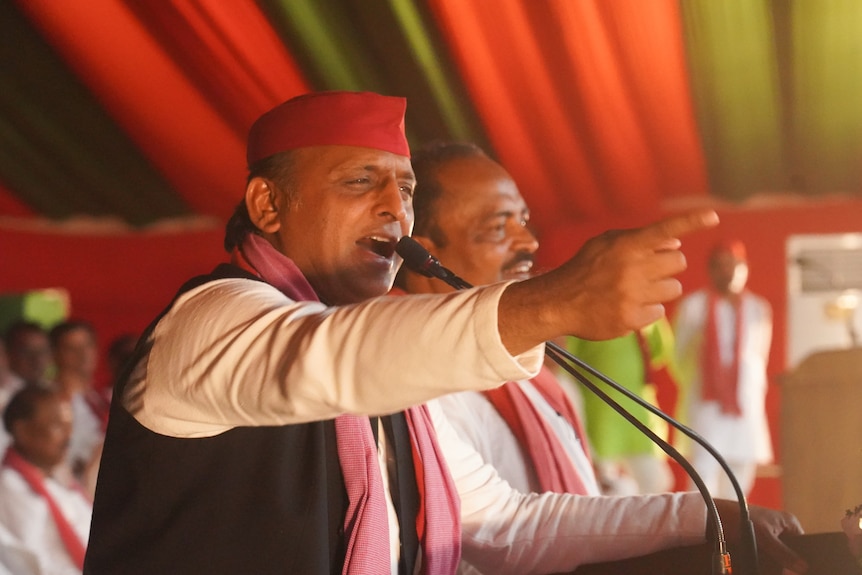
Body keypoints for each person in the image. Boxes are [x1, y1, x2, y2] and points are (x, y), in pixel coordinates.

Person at [85, 91, 805, 575]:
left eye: (403, 188)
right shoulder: (212, 320)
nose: (394, 212)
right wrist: (551, 302)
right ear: (268, 204)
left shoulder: (378, 361)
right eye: (360, 182)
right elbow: (329, 358)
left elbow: (502, 522)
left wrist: (708, 517)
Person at [394, 141, 600, 501]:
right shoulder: (419, 390)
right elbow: (504, 535)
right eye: (497, 228)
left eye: (521, 220)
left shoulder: (525, 371)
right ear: (422, 258)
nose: (529, 242)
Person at [673, 240, 773, 499]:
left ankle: (734, 535)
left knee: (741, 475)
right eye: (721, 266)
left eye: (734, 266)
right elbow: (679, 357)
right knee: (702, 473)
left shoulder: (758, 309)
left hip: (744, 402)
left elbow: (760, 356)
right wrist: (710, 380)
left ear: (745, 269)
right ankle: (701, 534)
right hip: (706, 401)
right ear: (711, 270)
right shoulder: (693, 306)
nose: (728, 272)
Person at [566, 318, 677, 495]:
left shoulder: (649, 309)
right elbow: (564, 359)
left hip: (640, 412)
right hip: (600, 414)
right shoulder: (586, 308)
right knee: (606, 486)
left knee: (656, 482)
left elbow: (659, 351)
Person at [0, 384, 93, 575]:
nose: (68, 436)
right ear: (23, 431)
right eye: (56, 425)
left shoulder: (56, 478)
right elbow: (37, 565)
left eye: (68, 425)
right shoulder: (10, 486)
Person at [49, 320, 106, 496]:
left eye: (88, 346)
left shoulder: (100, 400)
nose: (83, 355)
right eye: (72, 349)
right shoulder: (49, 404)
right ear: (55, 355)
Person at [4, 321, 53, 386]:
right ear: (8, 354)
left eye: (43, 352)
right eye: (27, 352)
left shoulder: (53, 390)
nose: (37, 360)